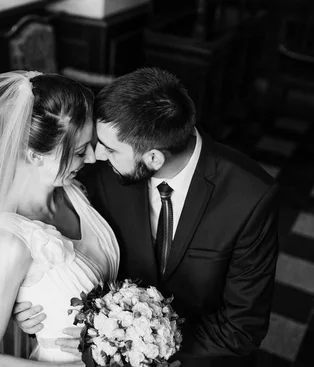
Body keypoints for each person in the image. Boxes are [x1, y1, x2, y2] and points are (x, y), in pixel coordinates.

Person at [15, 67, 279, 367]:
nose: (97, 155)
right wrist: (26, 300)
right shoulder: (97, 170)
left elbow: (243, 328)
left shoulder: (251, 196)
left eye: (110, 150)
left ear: (153, 158)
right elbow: (38, 229)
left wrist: (138, 348)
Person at [0, 70, 120, 367]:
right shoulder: (10, 244)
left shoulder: (75, 191)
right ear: (34, 155)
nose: (94, 158)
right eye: (80, 151)